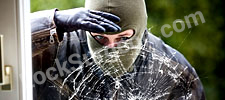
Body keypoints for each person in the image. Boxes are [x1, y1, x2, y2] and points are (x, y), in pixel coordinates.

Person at [31, 0, 205, 99]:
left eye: (123, 39)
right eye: (100, 38)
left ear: (139, 30)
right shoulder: (51, 50)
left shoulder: (174, 72)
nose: (111, 50)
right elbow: (7, 44)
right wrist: (52, 22)